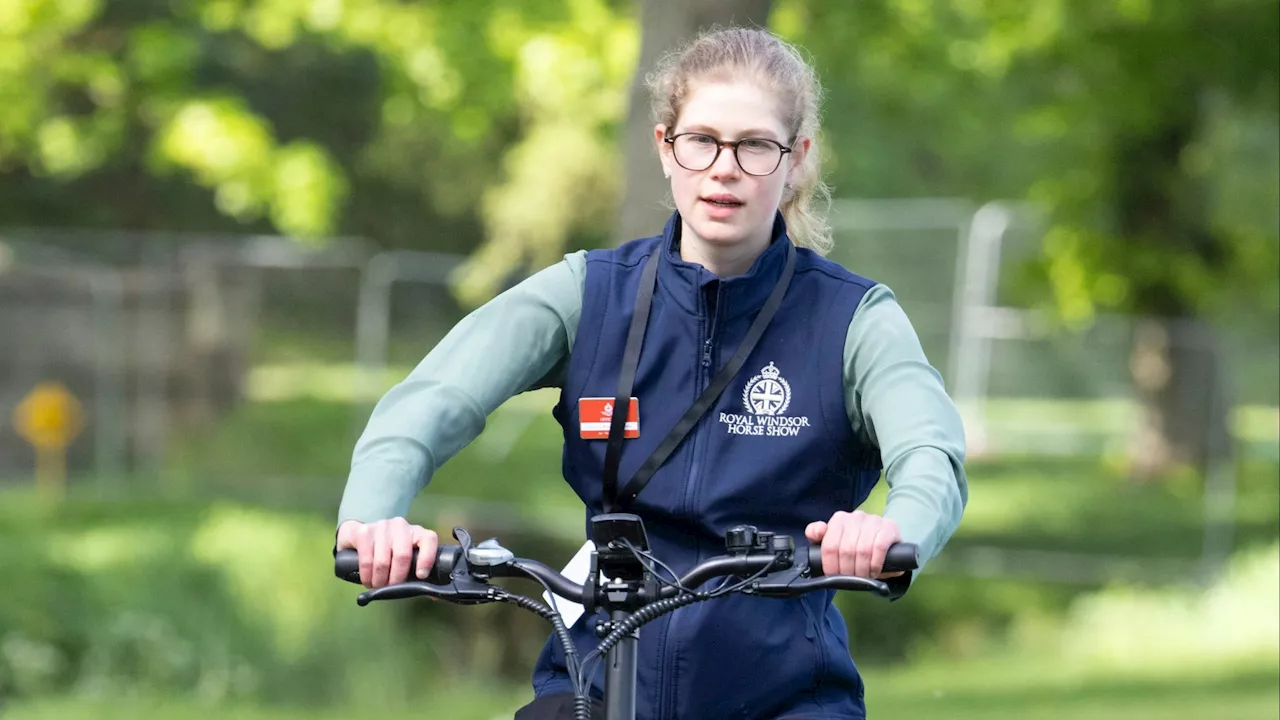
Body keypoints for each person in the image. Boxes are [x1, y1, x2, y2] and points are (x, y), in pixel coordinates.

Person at [335, 26, 968, 720]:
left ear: (796, 160)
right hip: (595, 680)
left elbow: (929, 453)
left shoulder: (854, 320)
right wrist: (374, 520)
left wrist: (890, 530)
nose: (724, 168)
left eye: (755, 145)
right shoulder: (589, 294)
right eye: (701, 140)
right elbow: (430, 402)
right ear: (665, 148)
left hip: (785, 699)